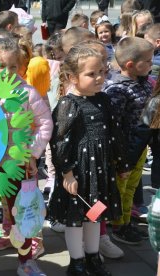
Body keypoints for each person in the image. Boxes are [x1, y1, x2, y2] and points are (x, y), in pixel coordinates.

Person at [0, 37, 52, 276]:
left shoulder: (28, 92)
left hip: (19, 167)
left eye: (12, 66)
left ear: (20, 67)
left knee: (23, 215)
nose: (7, 71)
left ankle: (26, 262)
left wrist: (31, 152)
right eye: (1, 65)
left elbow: (45, 123)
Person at [49, 44, 126, 276]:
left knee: (95, 214)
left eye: (102, 72)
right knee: (75, 219)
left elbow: (115, 133)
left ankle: (93, 257)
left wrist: (120, 163)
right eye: (91, 74)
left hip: (100, 169)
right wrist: (67, 173)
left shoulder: (104, 100)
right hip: (79, 171)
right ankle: (77, 261)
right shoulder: (68, 104)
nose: (99, 77)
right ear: (72, 77)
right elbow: (60, 142)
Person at [104, 37, 154, 245]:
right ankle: (118, 225)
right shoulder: (118, 90)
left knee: (132, 188)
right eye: (149, 62)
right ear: (131, 65)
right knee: (121, 189)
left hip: (140, 148)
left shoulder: (143, 84)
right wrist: (119, 153)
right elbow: (113, 125)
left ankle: (127, 221)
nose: (152, 65)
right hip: (124, 151)